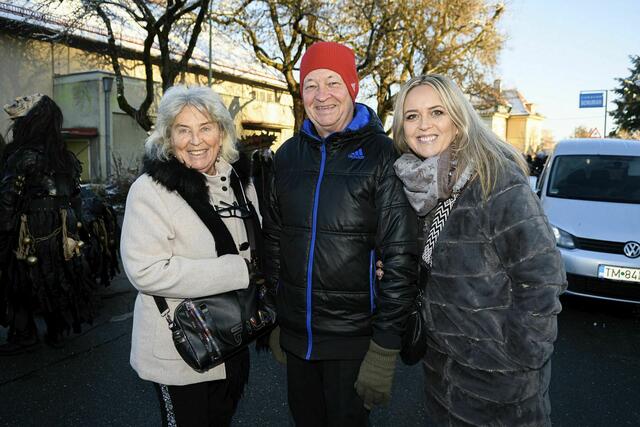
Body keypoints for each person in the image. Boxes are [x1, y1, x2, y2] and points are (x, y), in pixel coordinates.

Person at [391, 74, 566, 426]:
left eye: (436, 112)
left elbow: (542, 276)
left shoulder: (495, 181)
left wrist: (519, 356)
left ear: (458, 119)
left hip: (500, 389)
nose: (423, 125)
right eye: (411, 116)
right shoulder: (422, 184)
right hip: (442, 376)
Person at [262, 41, 418, 426]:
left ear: (352, 87)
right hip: (297, 339)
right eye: (310, 85)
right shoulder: (287, 156)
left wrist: (385, 346)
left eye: (332, 82)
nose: (322, 95)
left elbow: (400, 258)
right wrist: (280, 315)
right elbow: (275, 240)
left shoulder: (383, 155)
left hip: (354, 343)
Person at [120, 85, 262, 427]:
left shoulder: (240, 183)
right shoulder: (150, 190)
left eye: (205, 128)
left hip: (231, 340)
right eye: (183, 130)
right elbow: (146, 270)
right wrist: (237, 271)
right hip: (180, 349)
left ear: (221, 132)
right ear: (169, 137)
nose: (196, 140)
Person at [0, 94, 97, 353]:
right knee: (58, 277)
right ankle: (57, 329)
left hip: (30, 228)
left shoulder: (21, 156)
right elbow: (75, 197)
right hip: (63, 227)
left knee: (18, 278)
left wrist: (4, 231)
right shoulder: (65, 157)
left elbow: (8, 198)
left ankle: (25, 334)